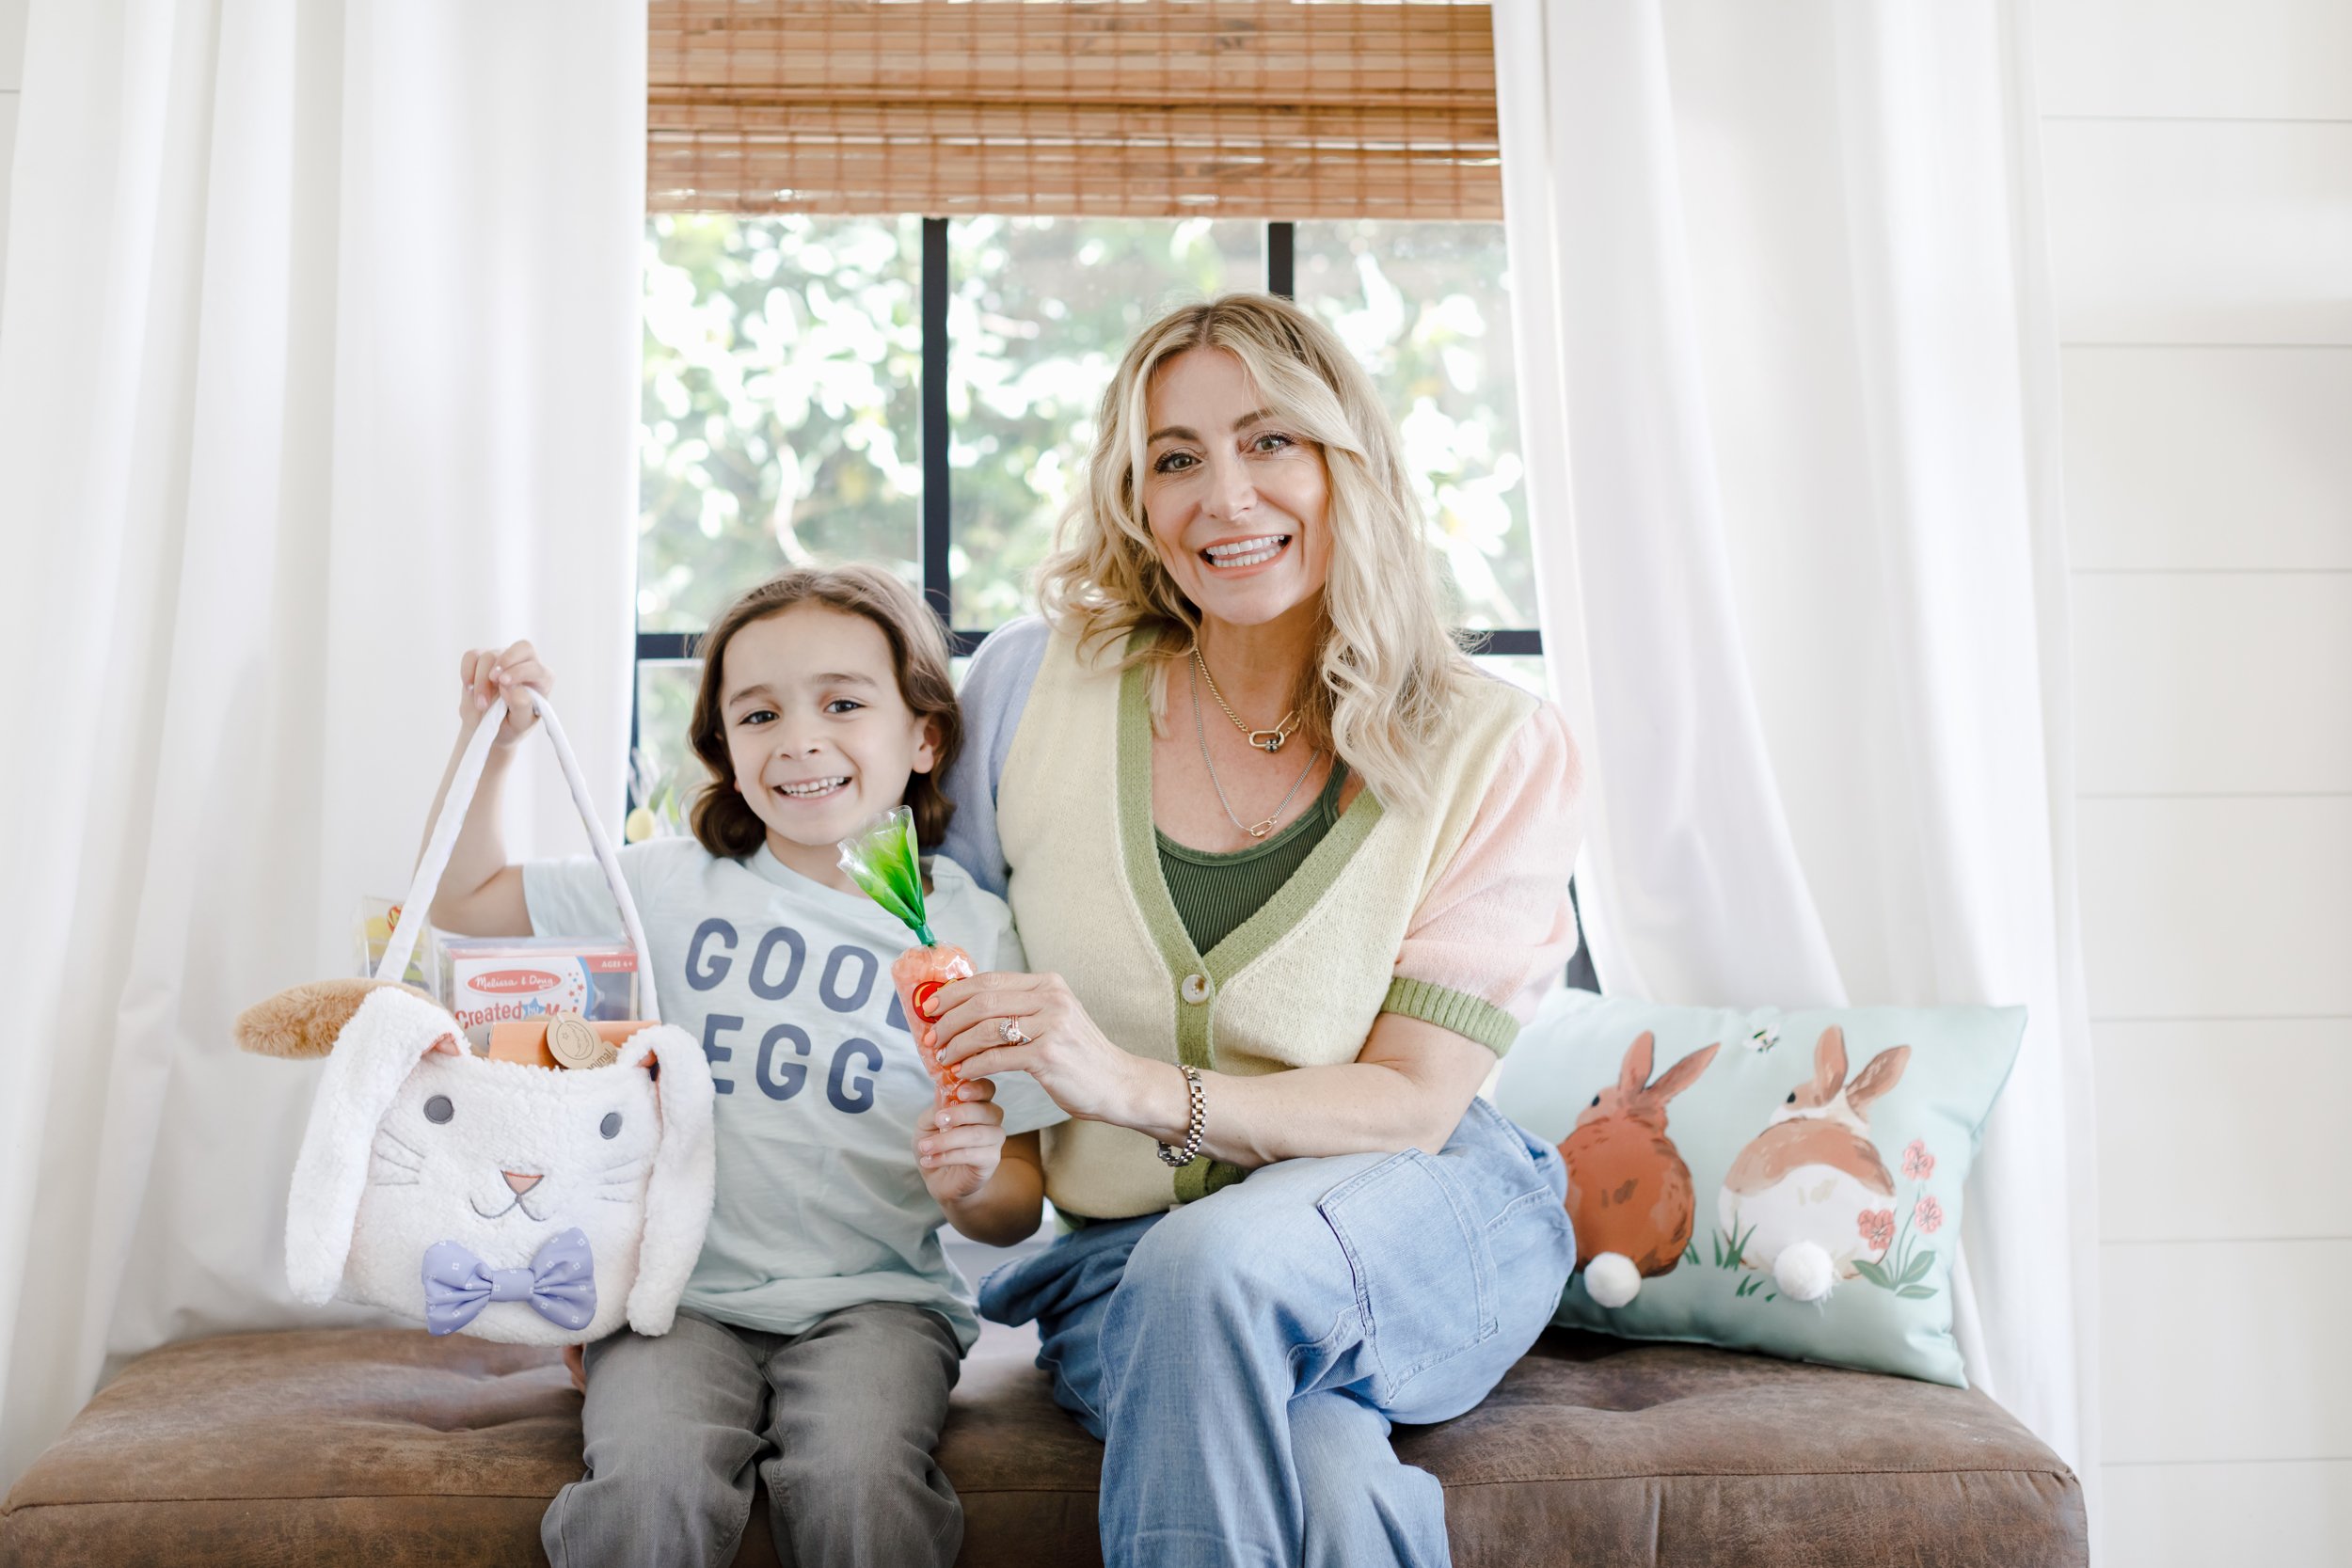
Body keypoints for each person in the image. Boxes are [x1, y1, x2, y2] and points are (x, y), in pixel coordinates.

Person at [921, 293, 1584, 1568]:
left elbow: (1409, 1103)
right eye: (1176, 458)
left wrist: (1125, 1085)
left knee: (1209, 1261)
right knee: (1329, 1477)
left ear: (1350, 463)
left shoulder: (1498, 746)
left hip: (1423, 1219)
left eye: (1270, 440)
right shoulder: (1026, 691)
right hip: (1125, 1269)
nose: (1224, 495)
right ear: (1136, 499)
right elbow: (945, 1006)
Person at [421, 565, 1060, 1568]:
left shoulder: (979, 930)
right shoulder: (672, 883)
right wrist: (492, 747)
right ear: (724, 746)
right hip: (677, 1297)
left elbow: (1017, 1199)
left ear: (924, 737)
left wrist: (973, 1179)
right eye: (758, 713)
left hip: (878, 1302)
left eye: (843, 703)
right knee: (645, 1488)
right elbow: (468, 897)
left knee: (860, 1483)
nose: (799, 738)